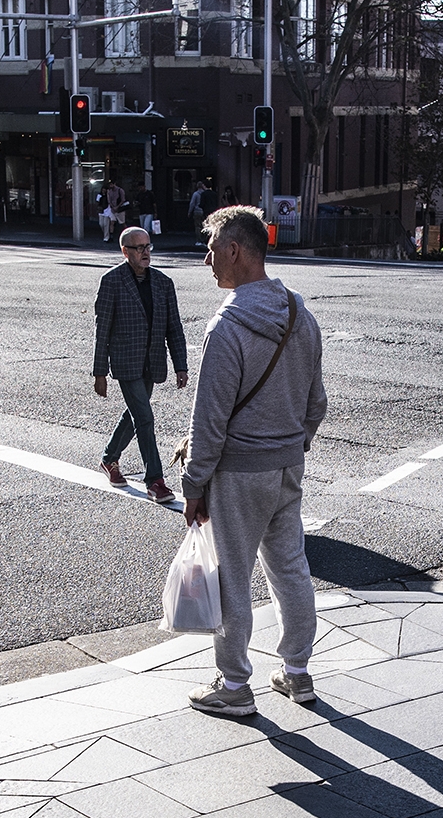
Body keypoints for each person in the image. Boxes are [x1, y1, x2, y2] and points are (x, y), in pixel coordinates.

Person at [181, 204, 327, 715]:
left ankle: (235, 684)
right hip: (287, 465)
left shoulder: (227, 327)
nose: (207, 259)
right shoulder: (299, 316)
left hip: (239, 472)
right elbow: (317, 404)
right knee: (290, 568)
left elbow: (210, 418)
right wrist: (291, 443)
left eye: (212, 248)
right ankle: (297, 673)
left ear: (236, 250)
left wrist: (193, 483)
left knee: (232, 577)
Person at [93, 226, 189, 501]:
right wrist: (100, 372)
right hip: (125, 361)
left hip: (152, 362)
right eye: (139, 248)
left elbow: (174, 328)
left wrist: (180, 365)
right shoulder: (112, 281)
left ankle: (109, 458)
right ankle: (155, 481)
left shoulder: (163, 282)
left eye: (148, 247)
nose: (146, 253)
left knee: (135, 412)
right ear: (125, 252)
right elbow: (103, 329)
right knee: (145, 417)